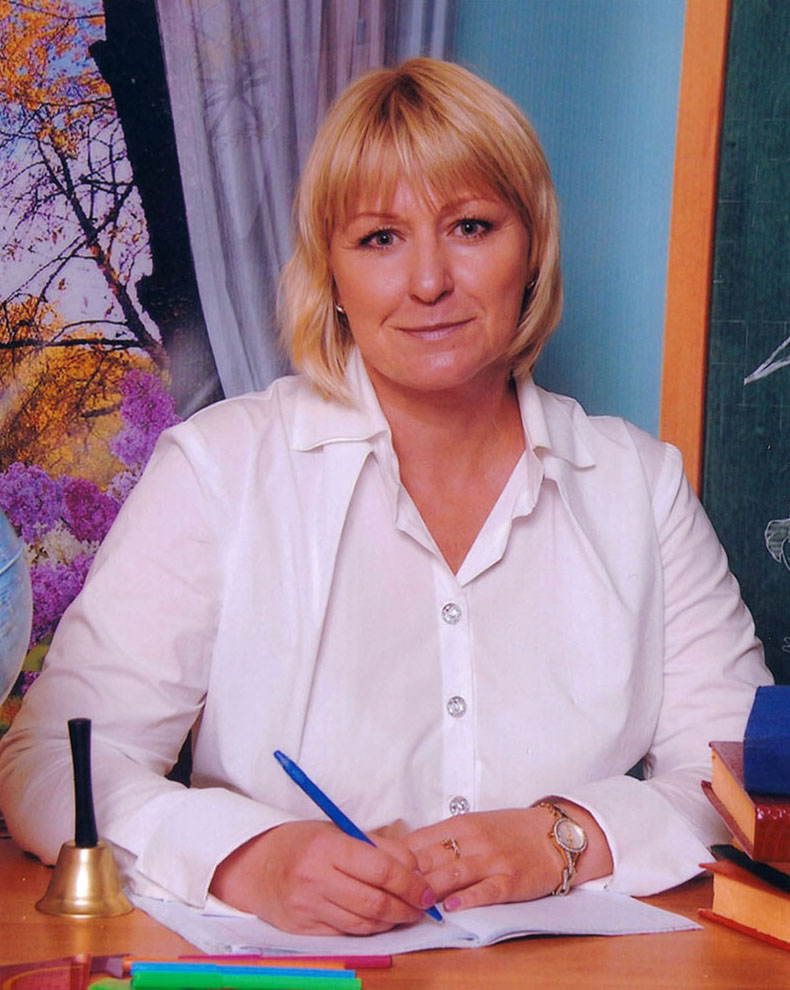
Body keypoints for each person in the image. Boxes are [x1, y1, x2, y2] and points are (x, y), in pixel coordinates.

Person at [0, 58, 772, 936]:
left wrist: (564, 836)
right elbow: (52, 764)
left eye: (471, 227)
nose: (429, 282)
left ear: (532, 248)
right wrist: (250, 858)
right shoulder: (219, 470)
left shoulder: (640, 486)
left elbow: (740, 778)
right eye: (379, 239)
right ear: (329, 272)